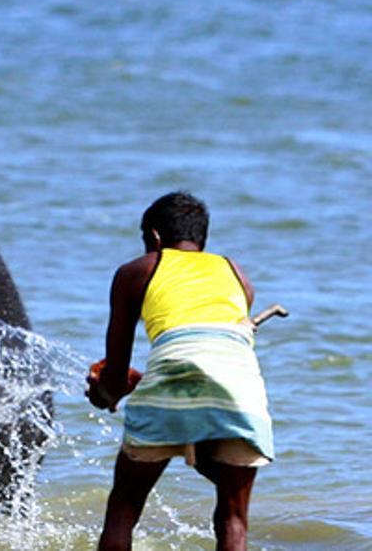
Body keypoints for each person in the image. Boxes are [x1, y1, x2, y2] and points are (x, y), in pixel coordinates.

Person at [86, 192, 273, 551]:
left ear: (154, 238)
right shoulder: (237, 274)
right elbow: (210, 359)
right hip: (241, 394)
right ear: (201, 239)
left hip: (169, 387)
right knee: (234, 519)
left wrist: (104, 392)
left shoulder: (138, 271)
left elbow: (114, 375)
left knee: (124, 509)